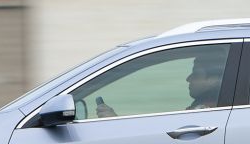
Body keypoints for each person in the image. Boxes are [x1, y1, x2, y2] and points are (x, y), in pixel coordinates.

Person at [96, 50, 225, 118]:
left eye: (196, 74)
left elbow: (164, 138)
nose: (188, 79)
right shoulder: (209, 110)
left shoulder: (204, 112)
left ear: (214, 79)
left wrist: (115, 121)